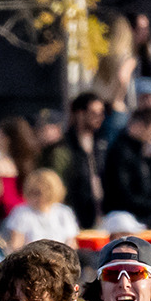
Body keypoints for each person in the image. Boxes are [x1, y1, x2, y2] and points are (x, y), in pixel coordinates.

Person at [43, 92, 108, 228]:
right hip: (73, 216)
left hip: (101, 215)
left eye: (102, 113)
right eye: (94, 113)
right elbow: (57, 184)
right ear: (80, 113)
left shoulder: (102, 144)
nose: (100, 118)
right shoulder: (62, 147)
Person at [102, 108, 151, 222]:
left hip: (142, 213)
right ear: (139, 125)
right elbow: (122, 192)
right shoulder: (121, 152)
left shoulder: (141, 151)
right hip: (125, 217)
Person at [1, 169, 78, 250]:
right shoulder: (21, 213)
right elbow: (16, 245)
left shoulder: (64, 212)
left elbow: (72, 243)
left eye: (40, 193)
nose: (37, 198)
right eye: (33, 193)